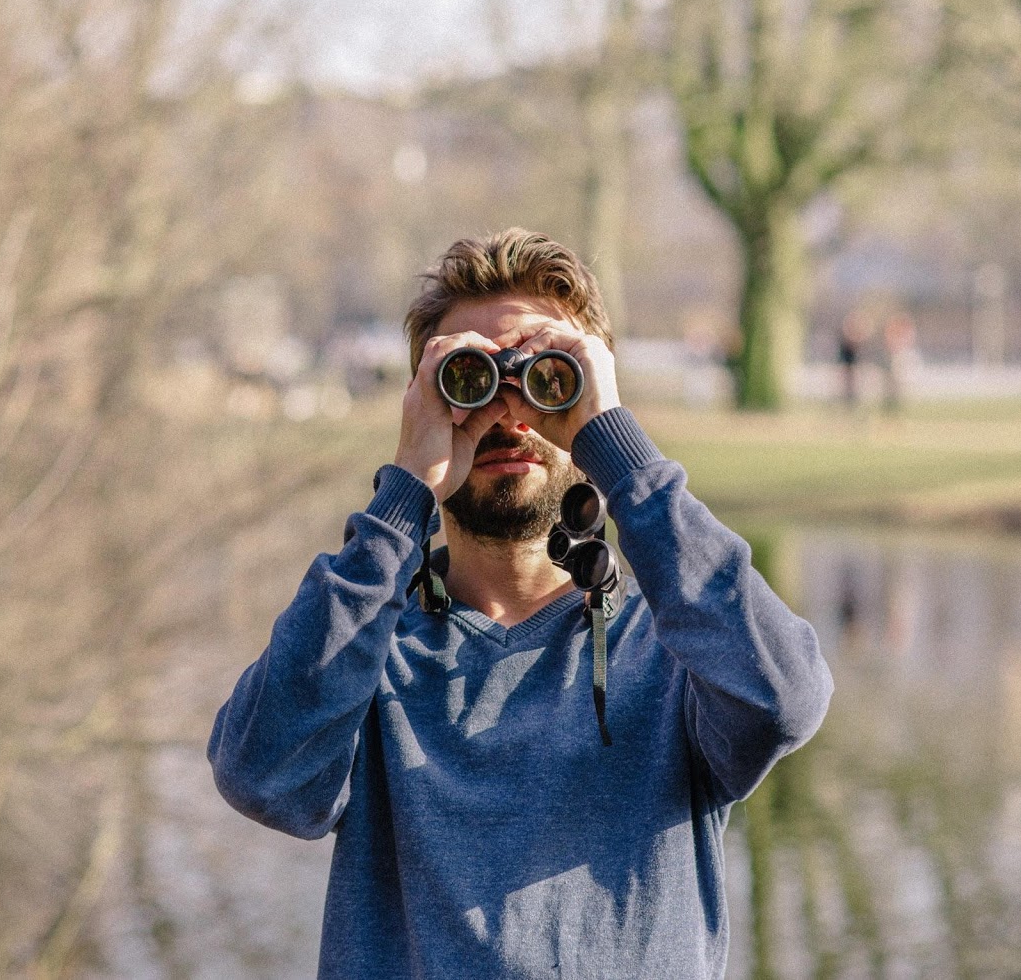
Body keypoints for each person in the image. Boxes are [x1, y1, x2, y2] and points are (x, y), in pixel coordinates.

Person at [207, 228, 833, 979]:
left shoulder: (678, 647)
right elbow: (258, 773)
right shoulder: (364, 649)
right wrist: (404, 493)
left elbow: (785, 698)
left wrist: (618, 449)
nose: (509, 415)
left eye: (547, 373)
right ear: (423, 401)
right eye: (469, 377)